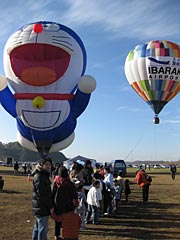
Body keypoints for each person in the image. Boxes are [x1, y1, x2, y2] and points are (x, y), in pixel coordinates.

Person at [53, 166, 78, 240]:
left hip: (57, 204)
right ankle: (67, 235)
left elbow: (52, 193)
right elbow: (74, 195)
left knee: (57, 221)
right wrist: (75, 204)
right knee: (67, 221)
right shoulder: (69, 183)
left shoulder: (56, 182)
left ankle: (56, 235)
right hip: (67, 205)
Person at [32, 158, 54, 240]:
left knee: (37, 228)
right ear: (42, 165)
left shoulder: (42, 175)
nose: (48, 166)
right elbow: (43, 195)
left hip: (39, 206)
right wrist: (50, 206)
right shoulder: (40, 176)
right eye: (46, 164)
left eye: (50, 165)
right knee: (42, 229)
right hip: (42, 207)